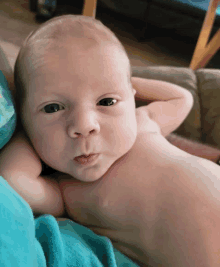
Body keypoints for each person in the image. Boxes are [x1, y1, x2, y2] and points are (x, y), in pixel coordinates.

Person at [1, 14, 220, 267]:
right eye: (52, 108)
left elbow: (182, 99)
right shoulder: (67, 193)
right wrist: (28, 131)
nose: (84, 126)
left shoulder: (141, 123)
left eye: (106, 101)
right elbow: (12, 179)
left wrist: (126, 84)